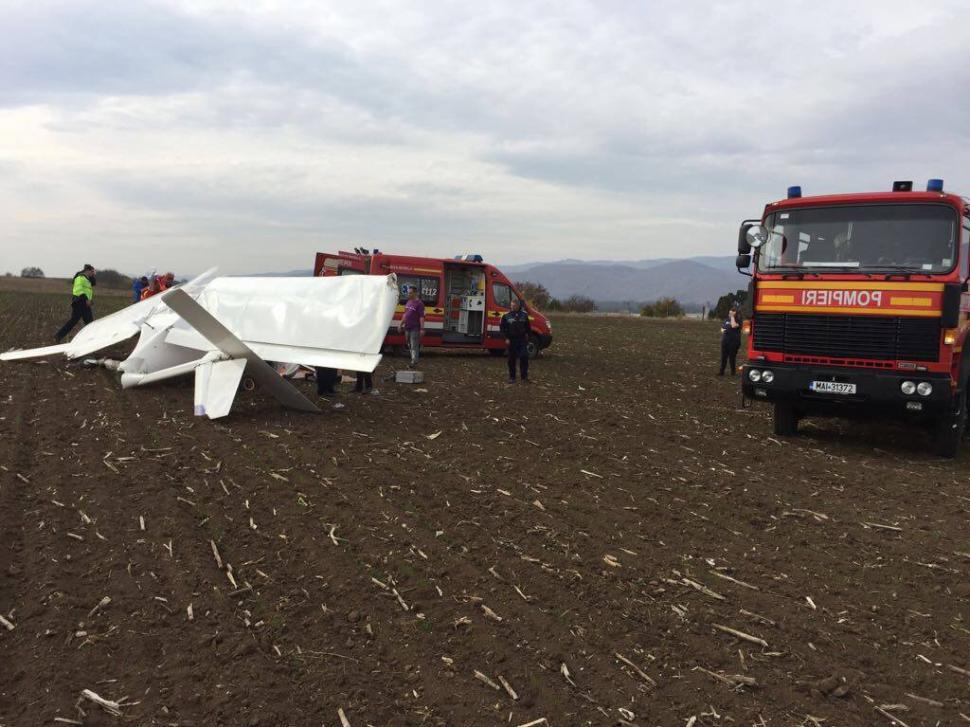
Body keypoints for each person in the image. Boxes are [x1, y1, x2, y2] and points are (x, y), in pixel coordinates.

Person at [54, 264, 97, 342]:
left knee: (90, 323)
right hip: (79, 302)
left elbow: (94, 283)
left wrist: (93, 275)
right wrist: (86, 299)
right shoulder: (79, 278)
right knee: (73, 321)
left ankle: (91, 340)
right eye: (92, 271)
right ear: (87, 270)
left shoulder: (87, 279)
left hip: (86, 304)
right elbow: (78, 290)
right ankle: (58, 336)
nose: (93, 273)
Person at [500, 298, 531, 383]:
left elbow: (528, 328)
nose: (512, 307)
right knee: (511, 360)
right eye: (511, 305)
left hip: (522, 340)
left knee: (524, 357)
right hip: (511, 340)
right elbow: (502, 329)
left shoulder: (524, 315)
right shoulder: (506, 315)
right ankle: (512, 377)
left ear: (518, 306)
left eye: (514, 305)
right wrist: (505, 338)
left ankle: (524, 378)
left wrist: (528, 338)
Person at [398, 285, 425, 367]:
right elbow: (405, 315)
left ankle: (414, 361)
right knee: (408, 343)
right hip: (407, 327)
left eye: (410, 293)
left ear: (415, 293)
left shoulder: (420, 304)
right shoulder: (408, 302)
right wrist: (400, 324)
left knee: (414, 344)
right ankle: (413, 358)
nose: (408, 294)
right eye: (408, 293)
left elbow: (421, 317)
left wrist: (422, 329)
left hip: (415, 327)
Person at [718, 304, 742, 376]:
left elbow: (733, 326)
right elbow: (722, 328)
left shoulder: (739, 320)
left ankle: (733, 372)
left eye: (731, 313)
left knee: (732, 358)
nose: (729, 314)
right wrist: (724, 329)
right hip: (725, 341)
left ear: (735, 314)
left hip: (734, 342)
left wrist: (732, 317)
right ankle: (721, 371)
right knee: (723, 357)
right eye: (729, 313)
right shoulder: (726, 320)